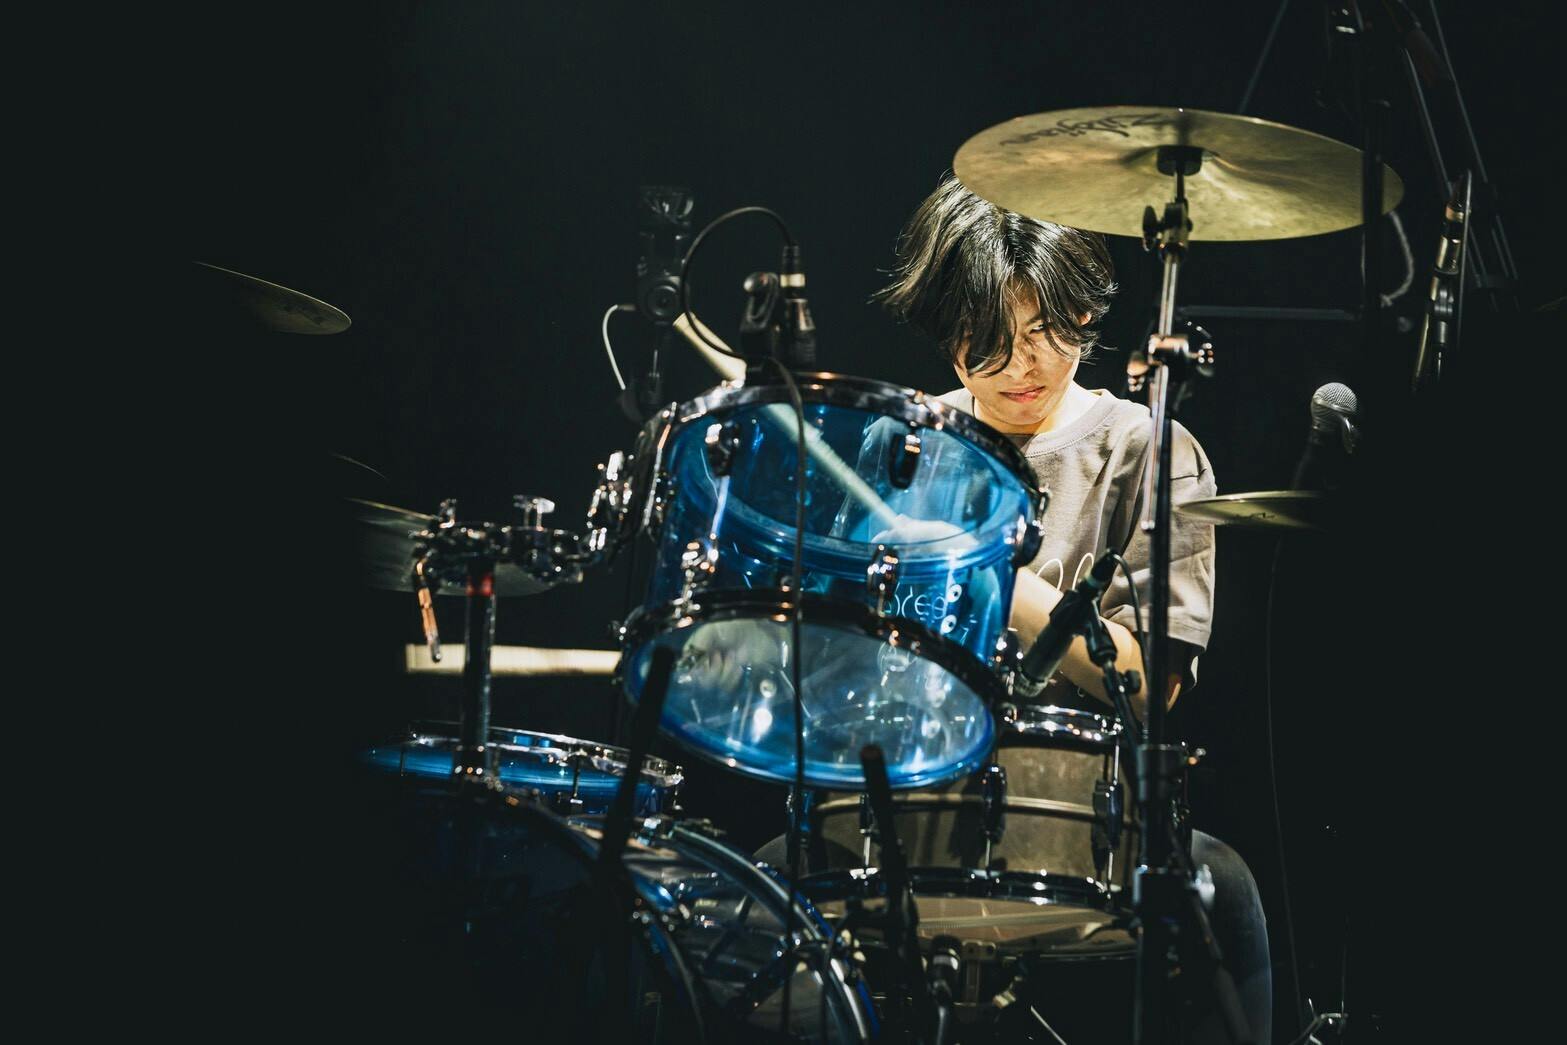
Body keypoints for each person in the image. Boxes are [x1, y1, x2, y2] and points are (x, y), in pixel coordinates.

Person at [754, 174, 1272, 1043]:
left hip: (1080, 821)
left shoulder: (1145, 448)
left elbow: (1153, 687)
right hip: (902, 808)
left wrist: (994, 572)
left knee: (1225, 892)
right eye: (984, 341)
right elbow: (837, 668)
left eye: (1040, 332)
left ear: (1083, 312)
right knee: (747, 898)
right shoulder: (901, 443)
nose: (1017, 366)